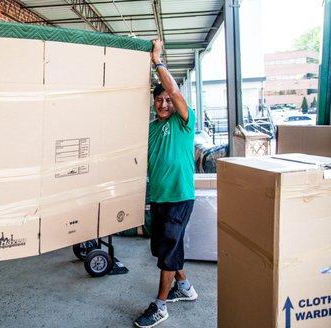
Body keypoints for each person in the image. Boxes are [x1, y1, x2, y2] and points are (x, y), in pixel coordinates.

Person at [134, 40, 198, 328]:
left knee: (168, 250)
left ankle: (160, 305)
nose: (163, 103)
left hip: (180, 196)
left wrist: (156, 60)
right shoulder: (150, 129)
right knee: (164, 248)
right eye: (158, 100)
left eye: (168, 100)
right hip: (159, 197)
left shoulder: (184, 122)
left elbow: (172, 89)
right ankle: (184, 287)